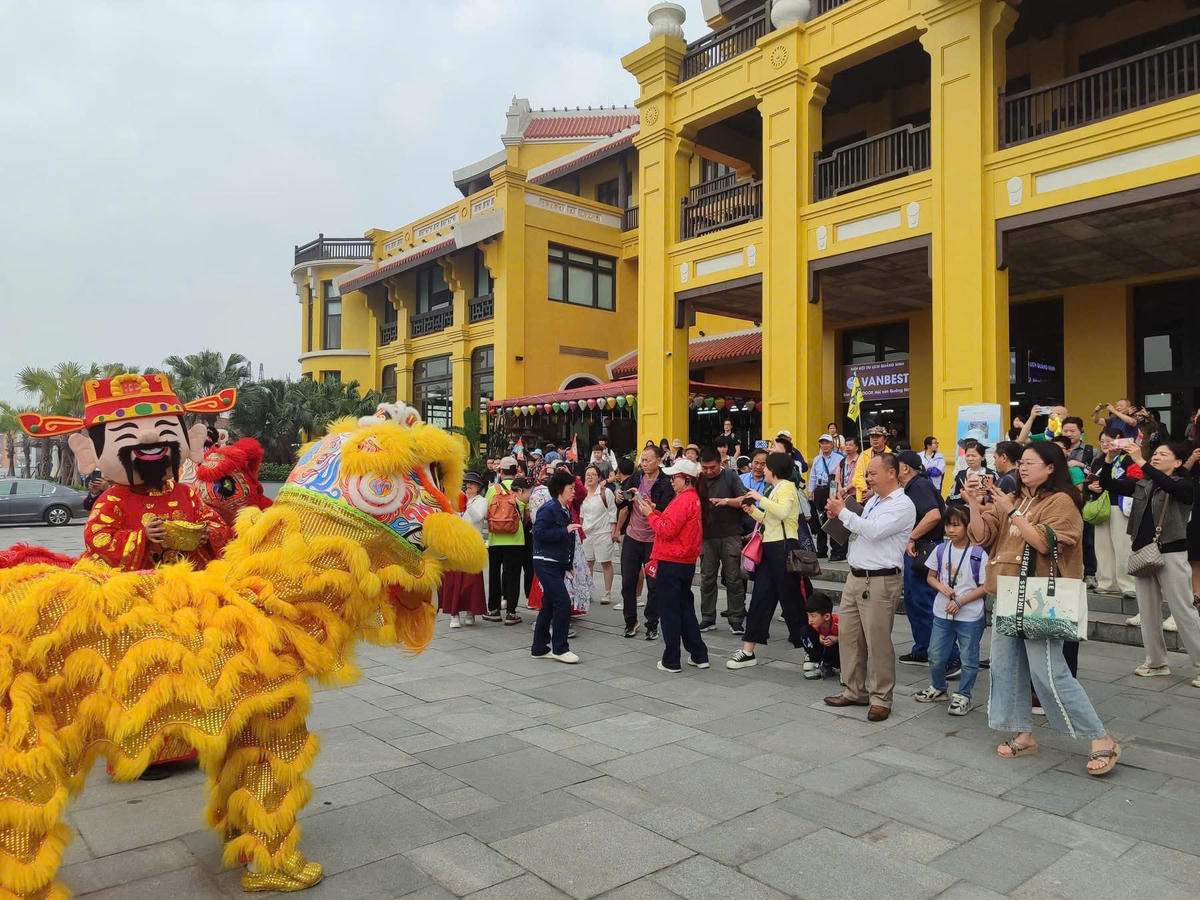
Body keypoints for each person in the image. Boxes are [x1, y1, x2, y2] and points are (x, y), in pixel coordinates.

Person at [966, 442, 1121, 775]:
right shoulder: (1016, 498)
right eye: (1020, 462)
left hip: (1041, 599)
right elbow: (980, 538)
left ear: (1051, 467)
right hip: (1008, 593)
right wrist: (974, 507)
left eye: (1030, 463)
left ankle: (1101, 738)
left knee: (1049, 671)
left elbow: (1044, 542)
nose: (1022, 468)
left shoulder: (1061, 501)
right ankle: (1024, 732)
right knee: (1006, 667)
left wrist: (1012, 512)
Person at [823, 453, 916, 721]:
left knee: (878, 642)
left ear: (892, 473)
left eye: (873, 473)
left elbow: (874, 530)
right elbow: (858, 529)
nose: (868, 478)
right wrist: (839, 512)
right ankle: (854, 690)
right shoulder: (874, 499)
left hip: (880, 579)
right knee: (850, 637)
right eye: (868, 473)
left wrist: (844, 513)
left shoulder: (902, 505)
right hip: (856, 576)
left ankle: (881, 697)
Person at [1099, 441, 1200, 684]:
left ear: (1177, 462)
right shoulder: (1143, 484)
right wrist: (1109, 460)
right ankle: (1156, 662)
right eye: (1154, 454)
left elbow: (1175, 489)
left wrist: (1140, 460)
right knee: (1148, 612)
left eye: (1163, 454)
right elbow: (1107, 484)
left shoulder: (1184, 484)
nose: (1155, 457)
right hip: (1143, 553)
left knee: (1183, 610)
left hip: (1171, 553)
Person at [727, 452, 807, 669]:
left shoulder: (788, 487)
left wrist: (760, 499)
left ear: (774, 470)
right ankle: (748, 650)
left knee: (792, 602)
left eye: (767, 466)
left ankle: (811, 651)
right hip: (770, 547)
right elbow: (768, 519)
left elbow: (782, 513)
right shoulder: (775, 489)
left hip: (784, 547)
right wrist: (752, 509)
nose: (764, 469)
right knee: (760, 598)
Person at [913, 505, 989, 715]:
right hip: (942, 611)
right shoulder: (940, 549)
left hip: (969, 615)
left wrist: (960, 601)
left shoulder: (978, 553)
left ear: (967, 526)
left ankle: (964, 695)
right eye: (948, 525)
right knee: (935, 654)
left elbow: (985, 587)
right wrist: (941, 587)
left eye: (956, 525)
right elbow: (930, 576)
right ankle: (939, 687)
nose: (951, 530)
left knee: (968, 658)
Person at [635, 458, 708, 673]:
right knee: (685, 609)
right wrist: (654, 512)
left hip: (671, 561)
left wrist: (650, 515)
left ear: (686, 479)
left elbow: (666, 530)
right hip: (684, 562)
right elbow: (672, 524)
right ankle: (698, 654)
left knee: (669, 612)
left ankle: (671, 659)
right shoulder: (691, 498)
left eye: (675, 477)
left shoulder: (683, 500)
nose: (671, 480)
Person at [897, 450, 953, 674]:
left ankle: (949, 657)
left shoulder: (919, 485)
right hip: (919, 549)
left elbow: (933, 515)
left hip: (924, 549)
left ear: (905, 468)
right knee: (914, 602)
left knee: (925, 603)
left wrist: (912, 536)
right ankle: (923, 649)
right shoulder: (913, 487)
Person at [616, 446, 674, 639]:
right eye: (642, 460)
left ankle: (652, 623)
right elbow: (624, 501)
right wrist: (619, 498)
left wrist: (651, 506)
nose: (643, 463)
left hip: (653, 540)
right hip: (633, 537)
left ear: (658, 460)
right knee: (627, 582)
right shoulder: (635, 477)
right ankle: (630, 621)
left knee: (654, 584)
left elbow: (667, 510)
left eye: (648, 460)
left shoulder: (665, 482)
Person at [531, 470, 583, 664]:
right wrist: (565, 530)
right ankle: (560, 648)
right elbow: (539, 533)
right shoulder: (549, 508)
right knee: (562, 602)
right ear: (560, 490)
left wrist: (568, 564)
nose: (573, 492)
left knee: (550, 604)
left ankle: (539, 647)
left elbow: (566, 540)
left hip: (557, 562)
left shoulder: (564, 508)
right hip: (545, 561)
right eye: (570, 489)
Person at [697, 446, 749, 634]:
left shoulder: (730, 477)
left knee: (734, 578)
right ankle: (708, 617)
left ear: (720, 463)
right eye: (705, 468)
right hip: (706, 536)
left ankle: (736, 619)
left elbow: (746, 500)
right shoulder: (698, 479)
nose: (709, 471)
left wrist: (726, 501)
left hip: (730, 534)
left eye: (712, 467)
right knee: (707, 579)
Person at [1088, 428, 1140, 599]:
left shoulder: (1128, 459)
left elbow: (1136, 481)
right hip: (1101, 507)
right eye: (1102, 441)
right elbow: (1088, 480)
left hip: (1120, 505)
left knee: (1123, 546)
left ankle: (1128, 584)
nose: (1106, 445)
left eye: (1110, 441)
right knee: (1102, 547)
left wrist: (1113, 483)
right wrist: (1090, 487)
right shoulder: (1098, 461)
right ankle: (1106, 582)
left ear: (1119, 441)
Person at [483, 461, 530, 625]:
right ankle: (511, 612)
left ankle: (494, 610)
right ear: (516, 471)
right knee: (513, 575)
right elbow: (528, 514)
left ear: (500, 472)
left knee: (494, 574)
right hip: (516, 539)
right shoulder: (520, 488)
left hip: (495, 539)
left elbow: (484, 514)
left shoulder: (492, 489)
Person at [441, 472, 488, 628]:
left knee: (471, 581)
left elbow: (475, 517)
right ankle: (454, 614)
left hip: (473, 544)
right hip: (456, 543)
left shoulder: (481, 501)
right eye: (467, 483)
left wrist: (466, 503)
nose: (469, 486)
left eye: (472, 484)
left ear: (478, 487)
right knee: (453, 580)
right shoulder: (456, 499)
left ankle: (470, 611)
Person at [580, 464, 618, 605]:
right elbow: (581, 515)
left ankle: (607, 593)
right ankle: (588, 591)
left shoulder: (605, 492)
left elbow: (612, 512)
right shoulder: (582, 493)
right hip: (587, 534)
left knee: (605, 563)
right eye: (587, 474)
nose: (590, 477)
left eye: (593, 474)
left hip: (603, 533)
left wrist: (613, 531)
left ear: (599, 477)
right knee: (588, 563)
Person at [808, 435, 844, 559]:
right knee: (820, 520)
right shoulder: (817, 459)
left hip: (832, 488)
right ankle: (821, 550)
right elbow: (812, 476)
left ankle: (836, 551)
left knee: (833, 519)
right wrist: (810, 491)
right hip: (819, 490)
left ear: (832, 444)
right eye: (822, 443)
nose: (825, 446)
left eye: (827, 443)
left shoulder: (839, 458)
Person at [801, 590, 840, 680]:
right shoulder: (815, 624)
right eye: (808, 616)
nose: (810, 620)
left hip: (838, 653)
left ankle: (846, 669)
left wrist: (837, 638)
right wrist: (819, 635)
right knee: (805, 631)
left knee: (845, 639)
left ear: (826, 616)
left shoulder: (839, 623)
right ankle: (815, 660)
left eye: (813, 616)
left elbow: (854, 637)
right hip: (824, 648)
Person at [851, 426, 890, 503]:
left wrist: (873, 493)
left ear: (885, 439)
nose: (874, 439)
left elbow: (890, 478)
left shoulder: (890, 455)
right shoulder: (864, 454)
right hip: (864, 497)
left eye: (878, 436)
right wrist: (866, 490)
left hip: (884, 497)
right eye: (872, 437)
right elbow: (857, 477)